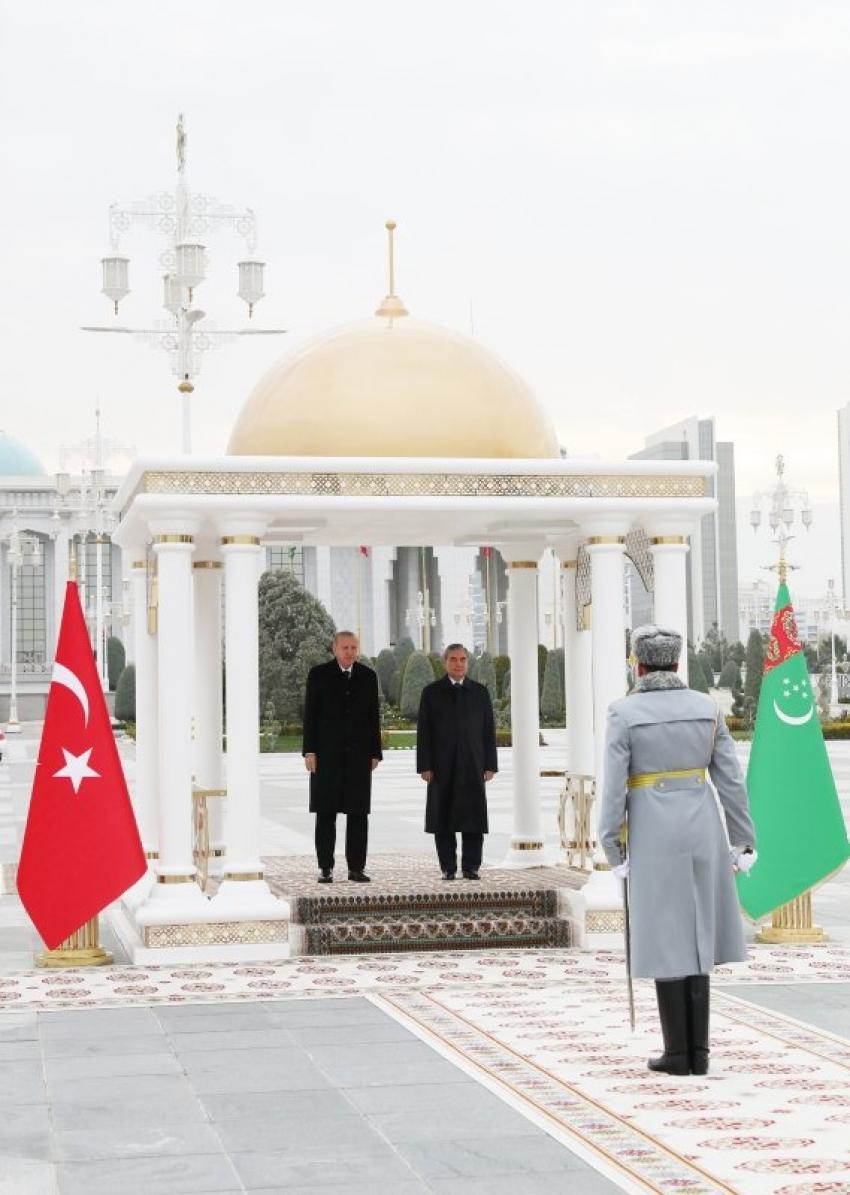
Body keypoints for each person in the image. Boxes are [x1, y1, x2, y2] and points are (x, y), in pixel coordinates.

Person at [598, 624, 756, 1076]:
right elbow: (731, 781)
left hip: (653, 828)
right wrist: (743, 839)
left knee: (667, 934)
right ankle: (699, 1053)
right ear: (677, 663)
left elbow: (613, 790)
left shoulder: (623, 713)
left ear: (639, 664)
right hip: (703, 824)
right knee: (698, 932)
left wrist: (612, 845)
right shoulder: (706, 708)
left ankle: (677, 1052)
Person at [302, 631, 382, 883]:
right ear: (335, 649)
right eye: (345, 647)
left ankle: (356, 868)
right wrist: (310, 751)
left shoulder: (368, 676)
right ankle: (325, 867)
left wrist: (375, 752)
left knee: (358, 814)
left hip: (359, 756)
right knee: (326, 813)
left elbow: (373, 716)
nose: (350, 652)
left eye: (354, 647)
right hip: (326, 756)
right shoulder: (318, 675)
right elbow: (311, 716)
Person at [416, 643, 497, 880]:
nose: (459, 663)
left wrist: (490, 764)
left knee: (473, 817)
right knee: (443, 817)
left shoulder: (480, 692)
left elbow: (488, 731)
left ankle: (471, 866)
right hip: (441, 766)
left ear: (467, 662)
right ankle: (448, 866)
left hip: (473, 763)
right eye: (453, 659)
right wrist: (425, 765)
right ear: (445, 662)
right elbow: (424, 732)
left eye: (463, 659)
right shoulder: (431, 692)